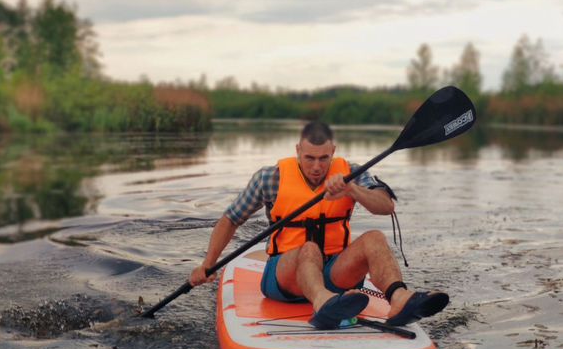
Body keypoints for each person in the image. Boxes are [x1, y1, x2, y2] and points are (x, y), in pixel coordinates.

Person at [190, 121, 449, 329]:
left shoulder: (352, 173)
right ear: (298, 151)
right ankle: (325, 304)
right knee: (309, 249)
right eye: (309, 158)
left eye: (323, 158)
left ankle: (399, 299)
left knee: (374, 238)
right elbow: (231, 219)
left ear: (333, 151)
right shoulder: (270, 178)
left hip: (335, 273)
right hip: (285, 278)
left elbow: (386, 206)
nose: (316, 166)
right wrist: (208, 263)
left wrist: (353, 190)